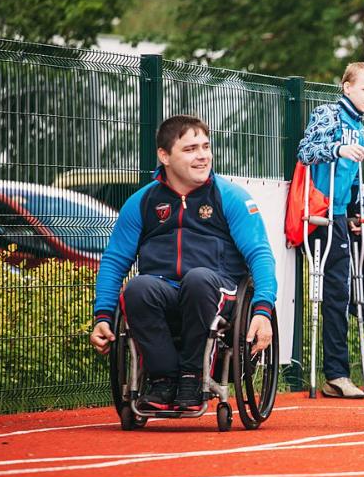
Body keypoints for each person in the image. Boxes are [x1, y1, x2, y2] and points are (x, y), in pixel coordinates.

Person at [89, 115, 277, 412]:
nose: (203, 156)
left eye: (205, 146)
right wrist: (102, 316)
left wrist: (263, 310)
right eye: (190, 149)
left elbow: (260, 254)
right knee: (138, 288)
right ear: (164, 156)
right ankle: (163, 381)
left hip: (217, 290)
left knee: (198, 279)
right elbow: (114, 262)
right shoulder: (141, 202)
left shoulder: (231, 197)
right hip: (164, 292)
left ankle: (193, 377)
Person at [297, 62, 364, 399]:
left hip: (341, 215)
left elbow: (351, 178)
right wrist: (337, 148)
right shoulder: (328, 114)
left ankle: (337, 372)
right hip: (319, 213)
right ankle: (336, 373)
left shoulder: (363, 129)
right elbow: (306, 151)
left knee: (348, 290)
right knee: (334, 291)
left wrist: (354, 213)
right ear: (347, 87)